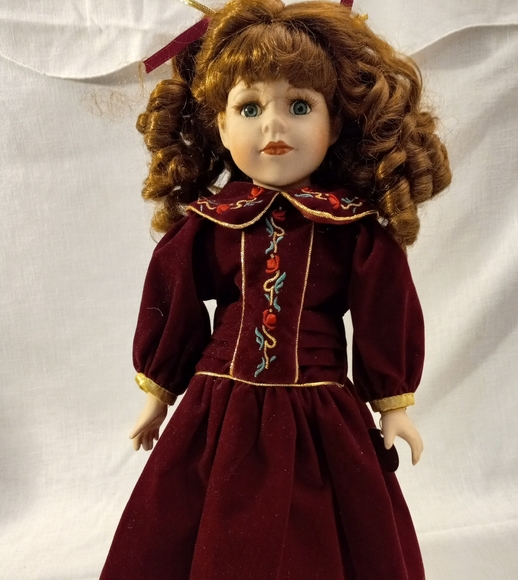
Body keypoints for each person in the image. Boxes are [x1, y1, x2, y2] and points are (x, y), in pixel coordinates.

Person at [101, 1, 451, 578]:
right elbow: (175, 298)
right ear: (220, 125)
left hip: (321, 406)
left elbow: (384, 309)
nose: (273, 126)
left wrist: (393, 406)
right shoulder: (211, 223)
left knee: (329, 527)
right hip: (221, 406)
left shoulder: (352, 229)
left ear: (334, 123)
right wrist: (157, 396)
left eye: (299, 106)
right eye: (249, 107)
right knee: (195, 520)